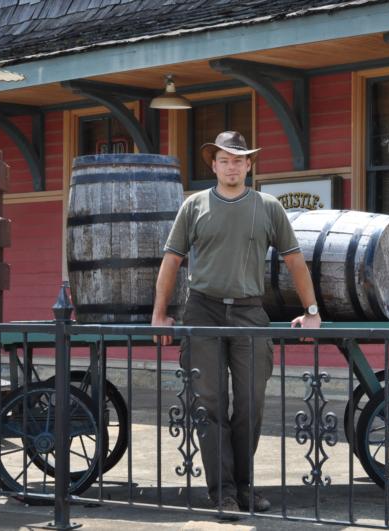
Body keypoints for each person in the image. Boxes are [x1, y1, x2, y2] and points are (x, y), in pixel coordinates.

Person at [151, 131, 321, 516]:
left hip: (249, 312)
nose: (232, 166)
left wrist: (311, 310)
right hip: (203, 310)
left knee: (250, 404)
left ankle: (244, 486)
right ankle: (223, 492)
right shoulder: (193, 206)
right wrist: (159, 312)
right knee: (209, 405)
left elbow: (295, 261)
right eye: (224, 159)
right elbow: (172, 261)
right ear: (213, 165)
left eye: (239, 160)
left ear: (249, 165)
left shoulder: (268, 207)